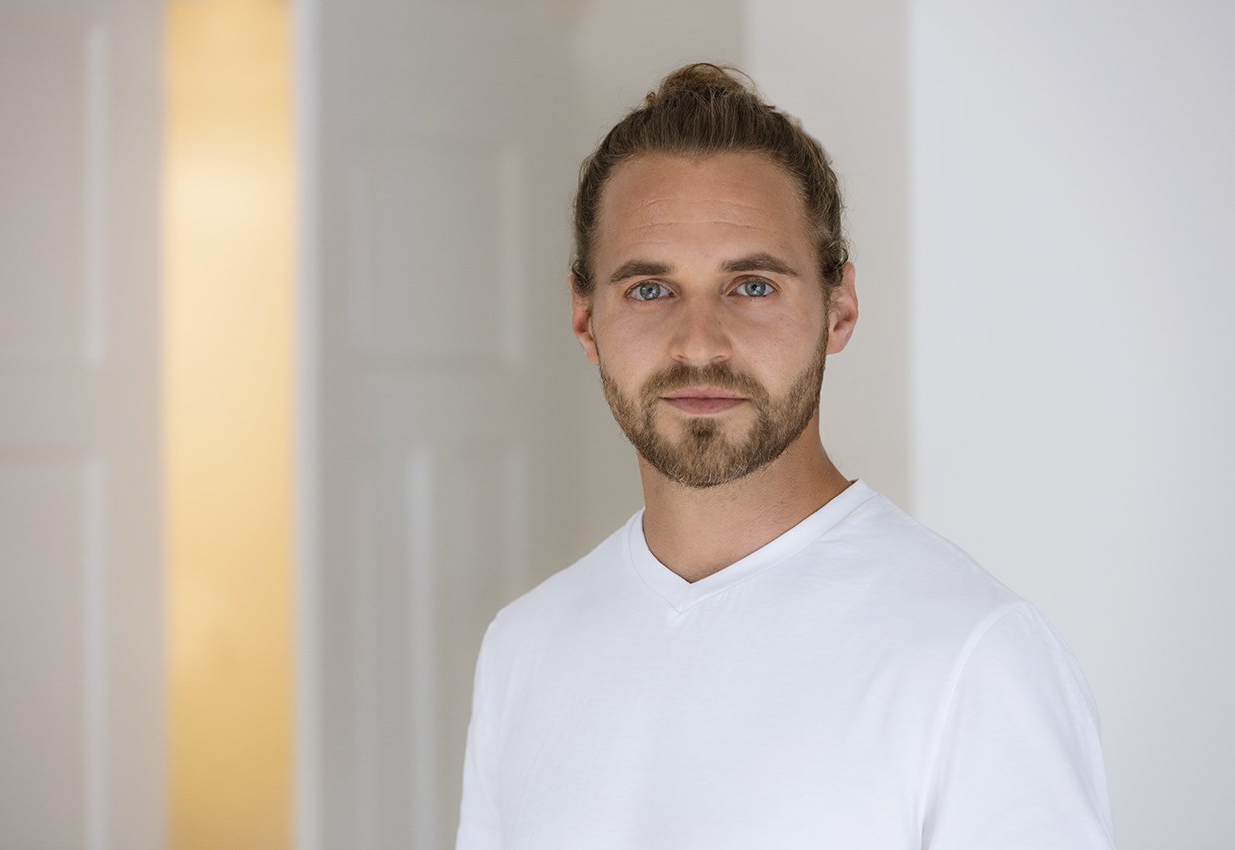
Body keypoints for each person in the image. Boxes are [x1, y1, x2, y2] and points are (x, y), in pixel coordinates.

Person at [455, 63, 1116, 849]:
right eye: (650, 290)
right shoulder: (525, 647)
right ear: (584, 318)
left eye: (753, 286)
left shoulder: (974, 657)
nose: (700, 343)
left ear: (839, 309)